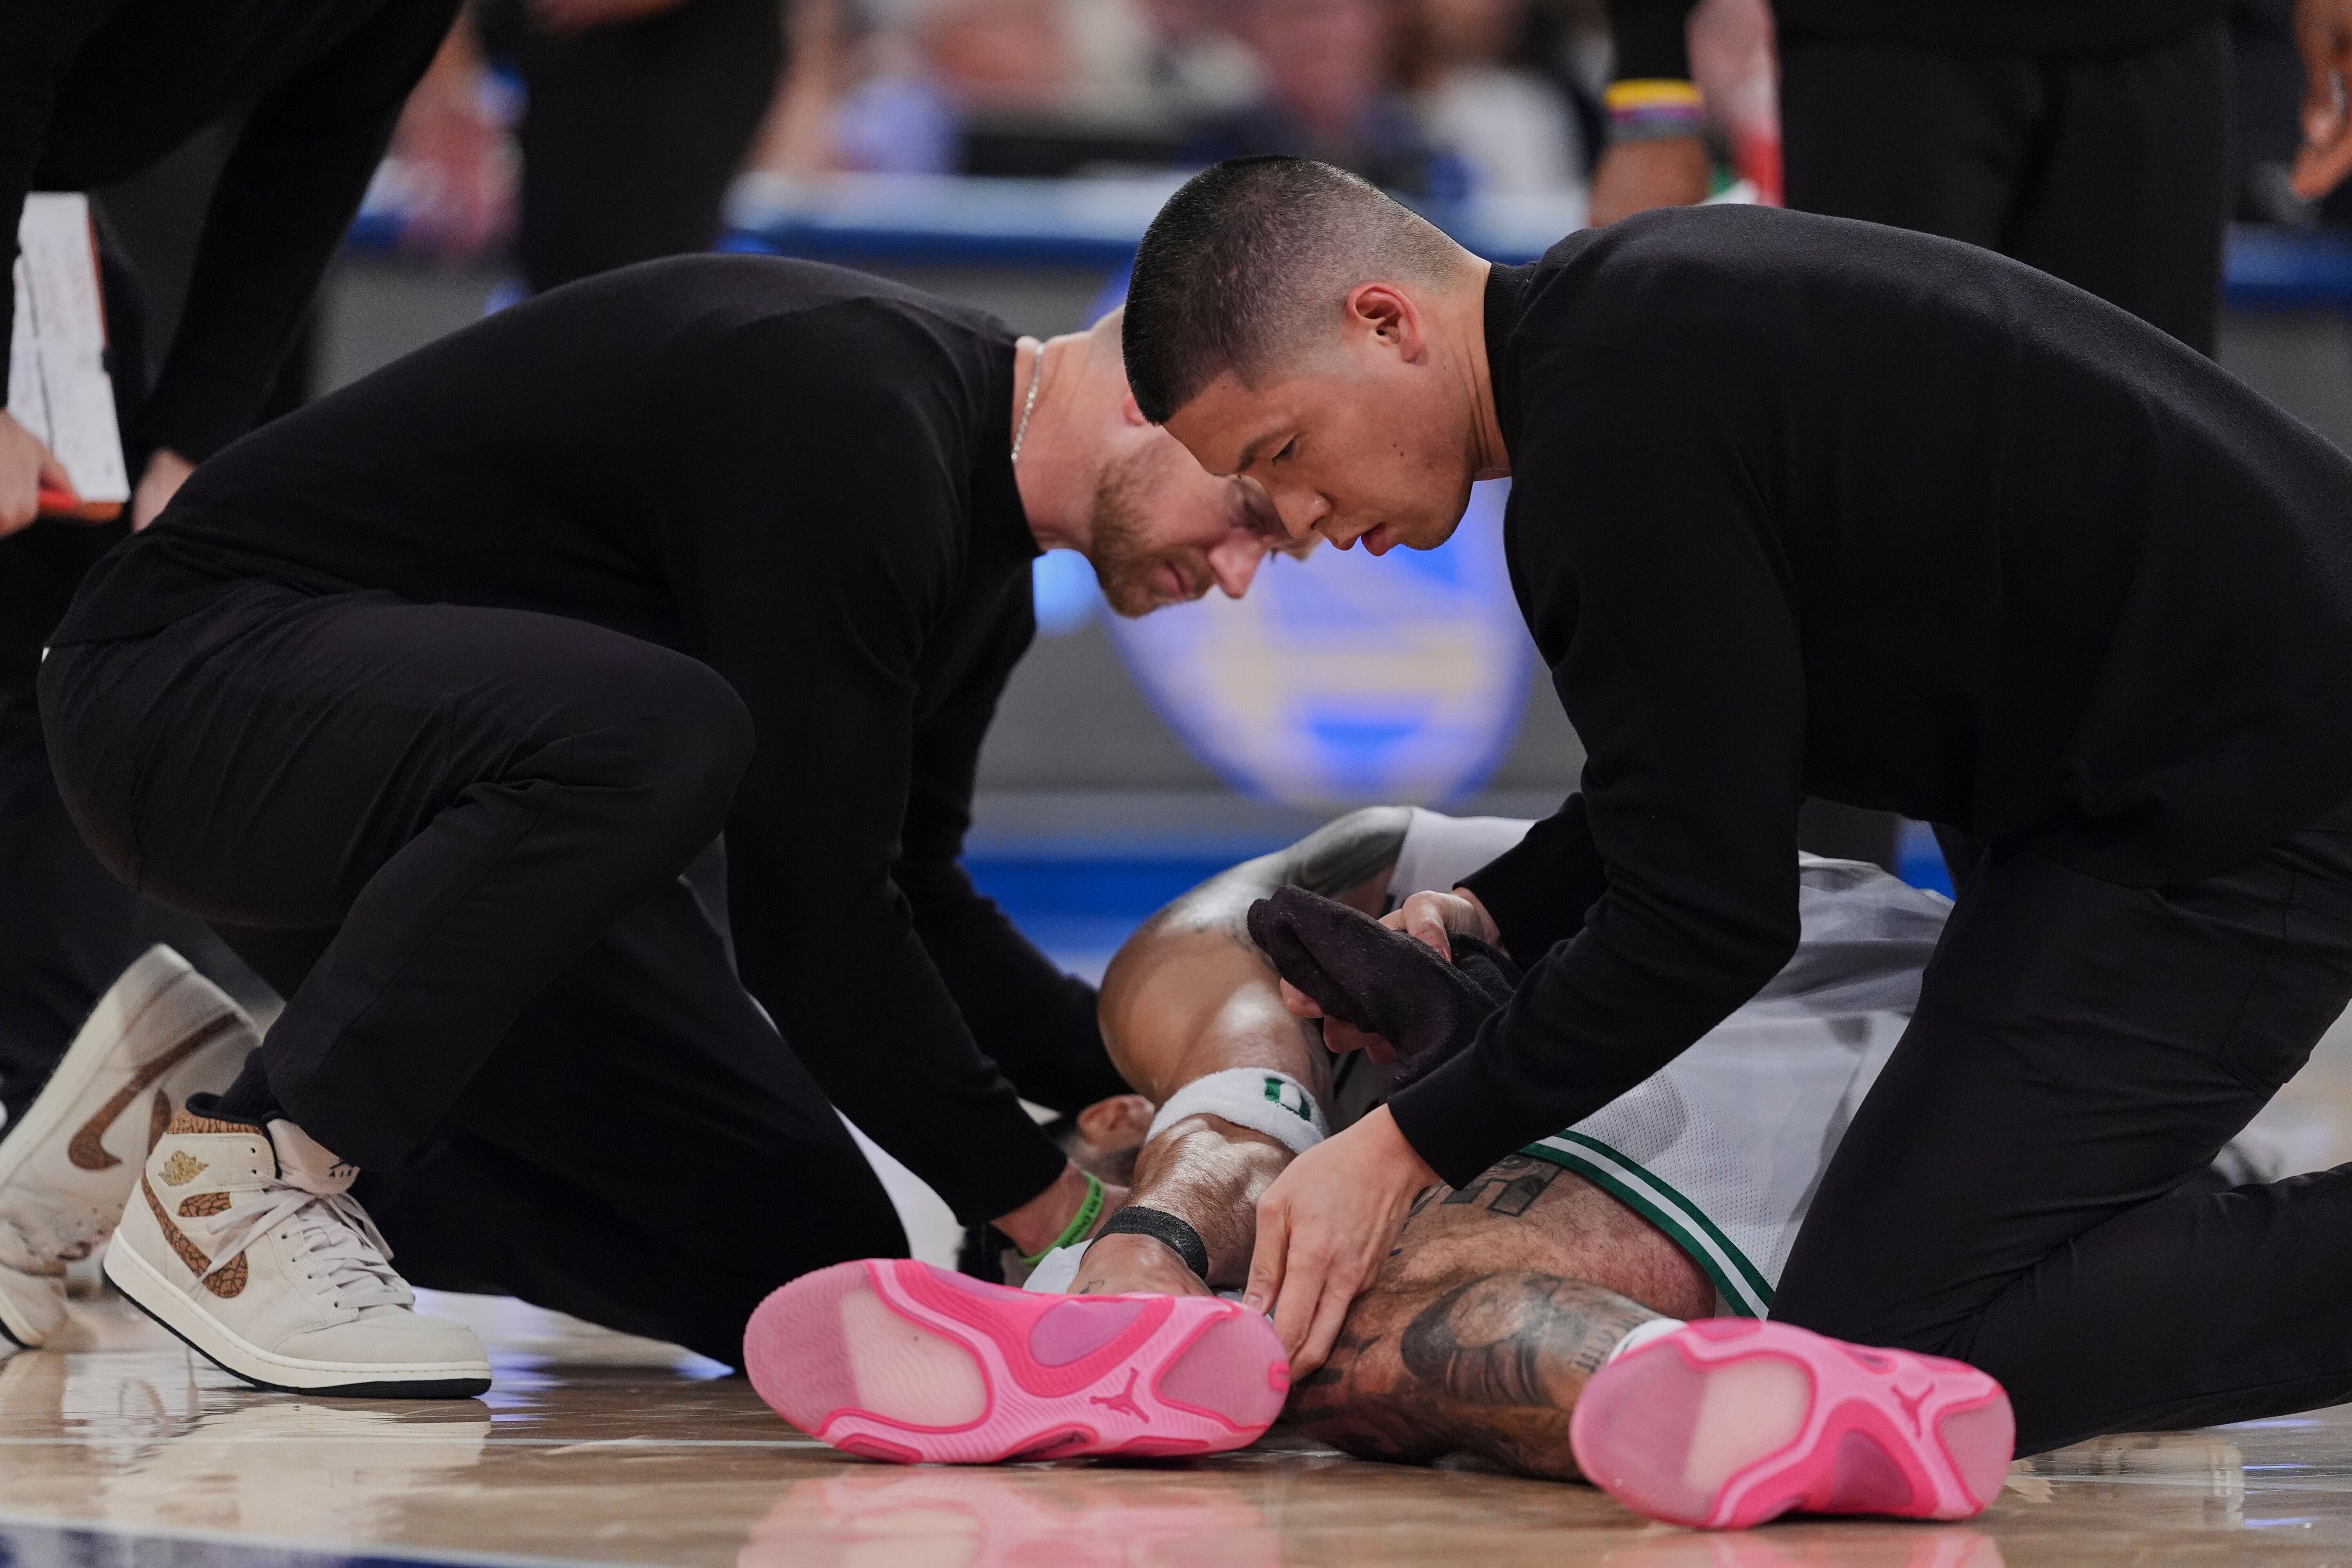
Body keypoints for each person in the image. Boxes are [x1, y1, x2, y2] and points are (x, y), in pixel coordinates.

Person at [1119, 158, 2352, 1465]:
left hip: (2249, 778)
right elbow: (1709, 765)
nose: (1301, 520)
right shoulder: (1626, 334)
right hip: (2141, 762)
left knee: (1896, 1354)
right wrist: (1503, 904)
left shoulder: (1609, 438)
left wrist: (1402, 1148)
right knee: (1892, 1323)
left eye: (1287, 453)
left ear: (1386, 320)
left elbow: (1708, 915)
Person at [31, 255, 1296, 1394]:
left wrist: (1156, 1074)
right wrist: (1063, 1208)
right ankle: (249, 1170)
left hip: (446, 827)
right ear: (1149, 390)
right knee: (667, 730)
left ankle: (187, 1110)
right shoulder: (859, 409)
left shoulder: (982, 580)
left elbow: (909, 892)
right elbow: (811, 931)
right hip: (181, 694)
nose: (1240, 572)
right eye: (1249, 514)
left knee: (802, 1258)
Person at [0, 0, 463, 1141]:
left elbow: (306, 168)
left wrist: (192, 445)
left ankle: (50, 1136)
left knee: (89, 626)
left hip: (49, 208)